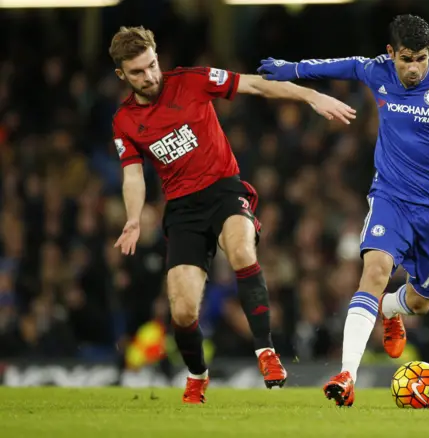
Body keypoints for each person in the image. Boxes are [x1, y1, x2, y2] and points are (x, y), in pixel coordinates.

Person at [258, 14, 429, 406]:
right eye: (407, 59)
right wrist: (291, 70)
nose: (414, 68)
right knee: (375, 270)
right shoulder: (377, 71)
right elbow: (342, 65)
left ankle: (391, 309)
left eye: (422, 58)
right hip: (391, 198)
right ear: (391, 53)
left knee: (420, 302)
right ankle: (347, 375)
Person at [108, 26, 356, 404]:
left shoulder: (193, 80)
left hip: (224, 190)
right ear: (122, 75)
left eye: (153, 65)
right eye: (139, 72)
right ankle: (197, 375)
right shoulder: (125, 121)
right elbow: (132, 174)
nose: (151, 76)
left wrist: (309, 95)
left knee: (241, 249)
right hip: (183, 210)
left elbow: (256, 86)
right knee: (183, 310)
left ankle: (266, 353)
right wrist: (133, 218)